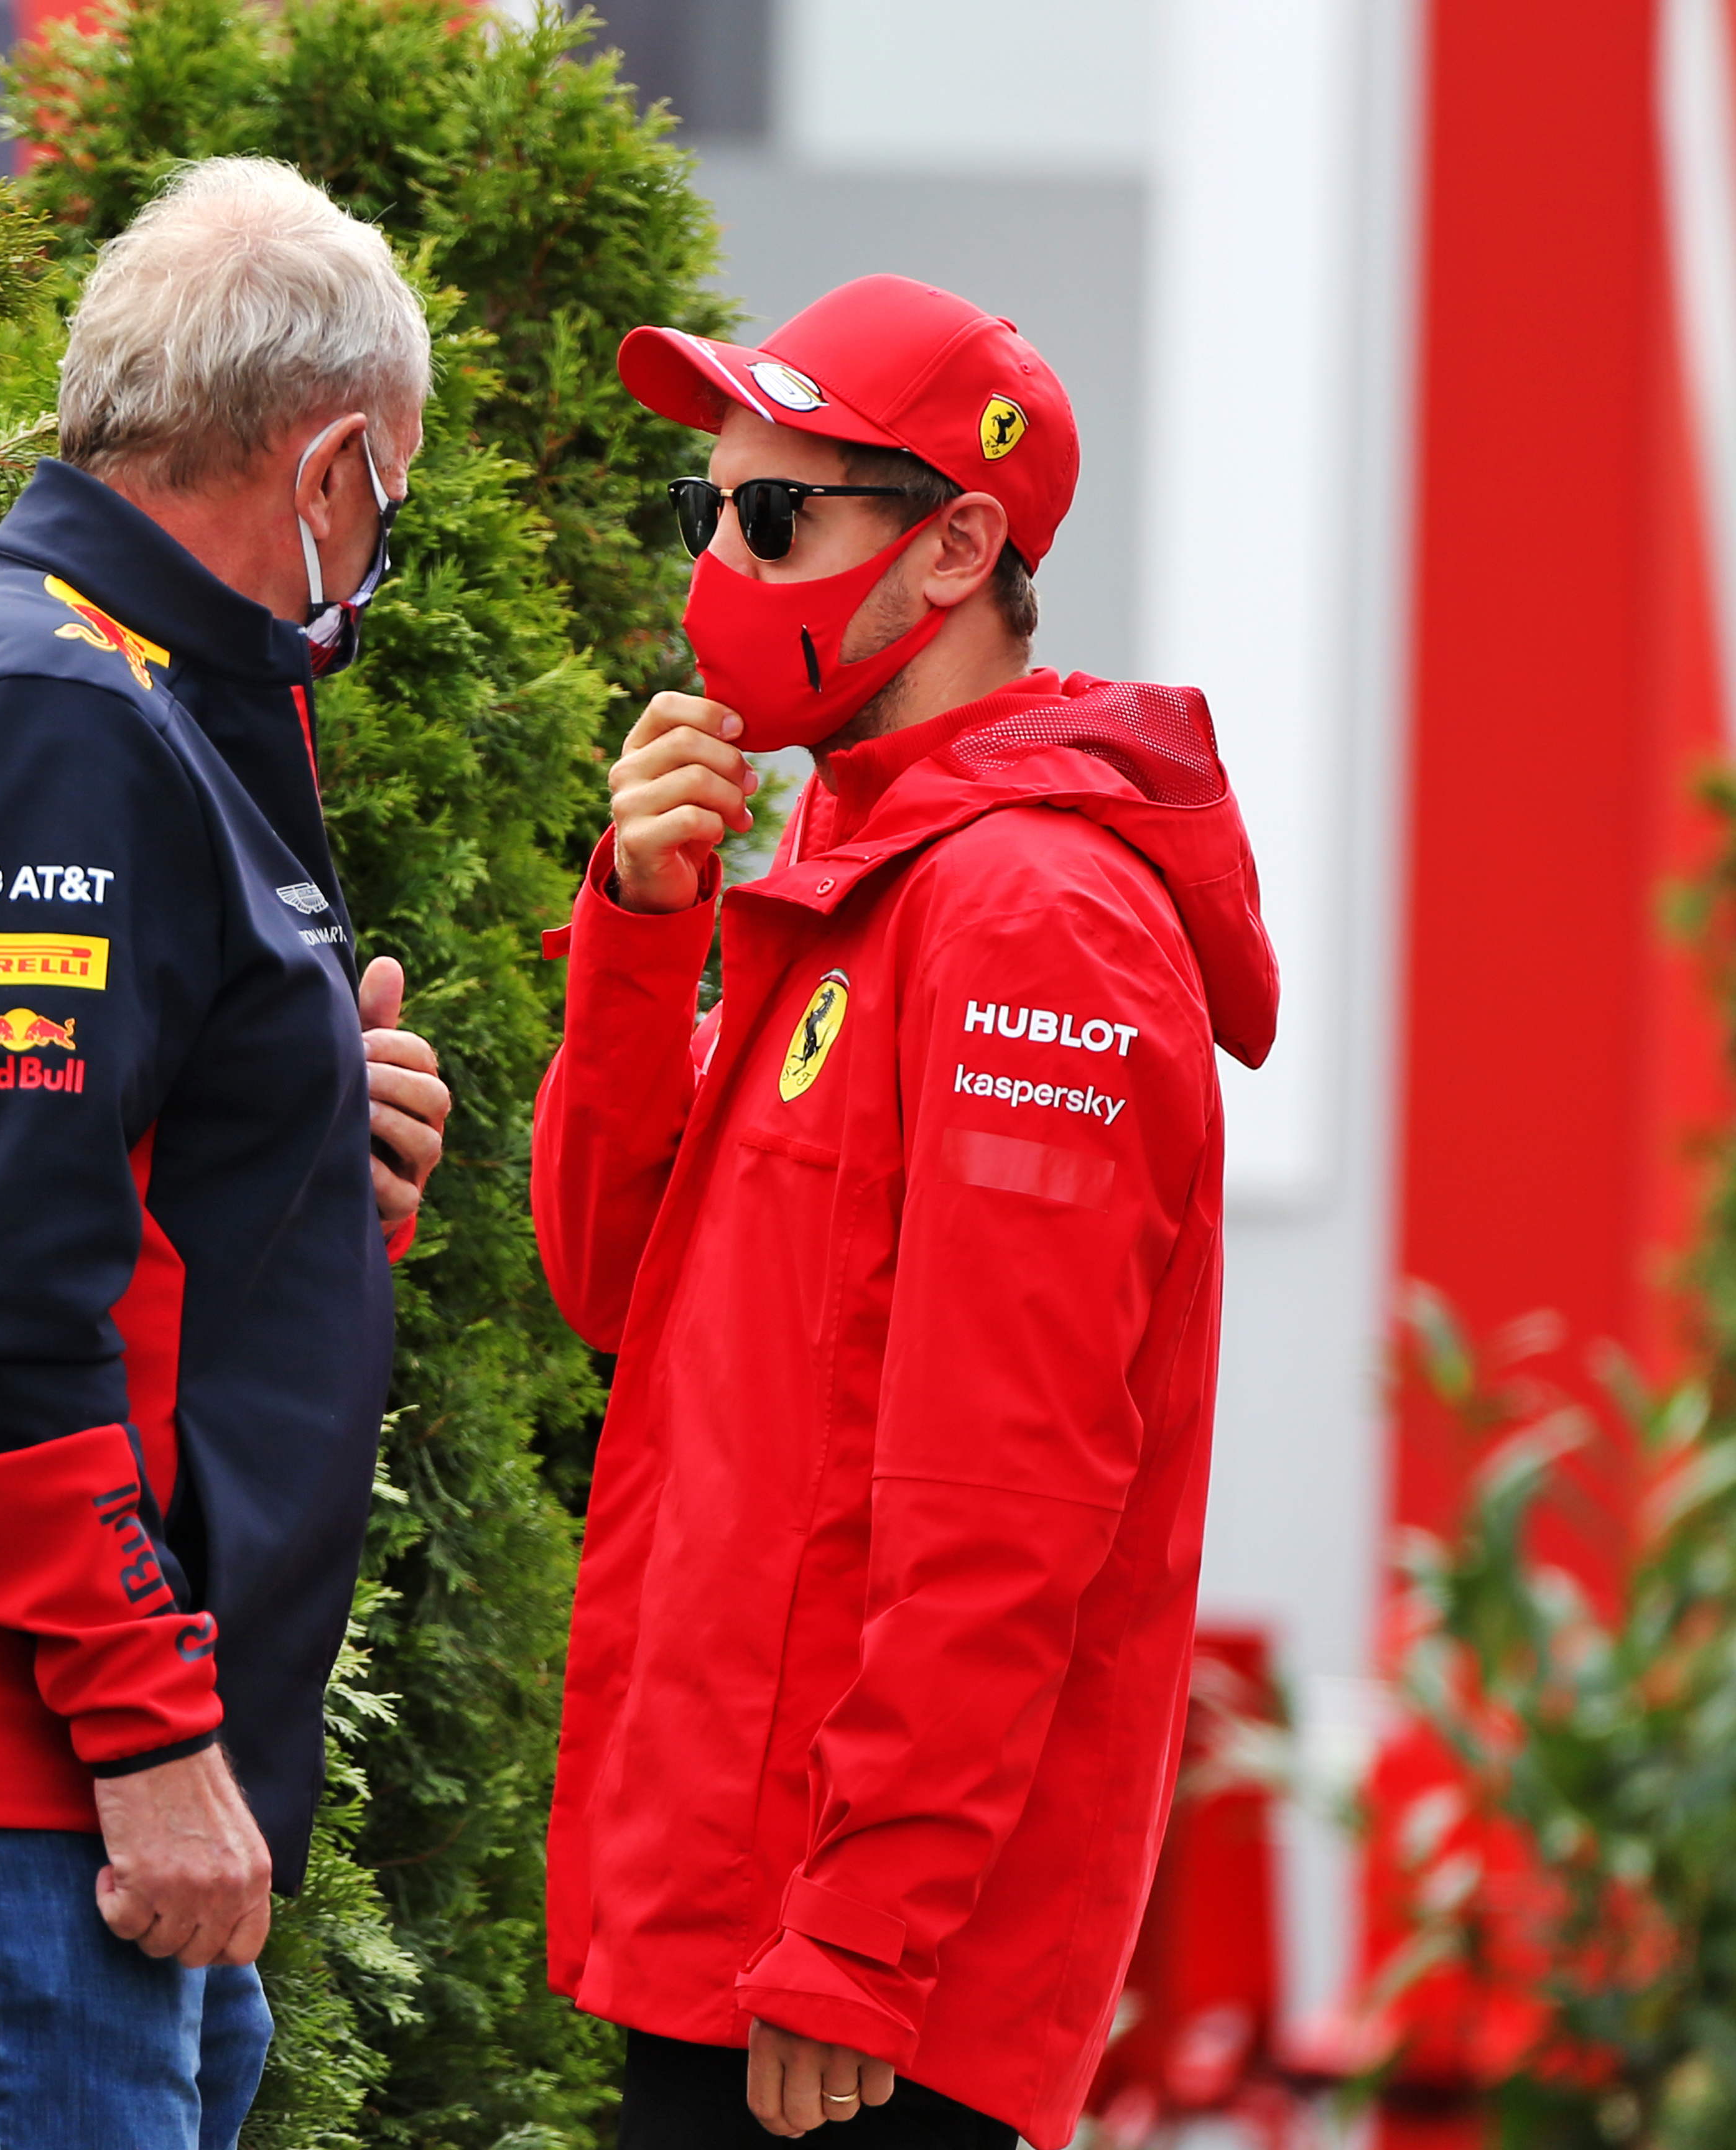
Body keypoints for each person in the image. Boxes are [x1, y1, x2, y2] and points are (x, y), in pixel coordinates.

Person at [0, 159, 452, 2149]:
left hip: (39, 1793)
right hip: (4, 1791)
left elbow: (73, 1187)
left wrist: (314, 1140)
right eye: (392, 493)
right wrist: (147, 1738)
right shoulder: (52, 712)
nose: (382, 545)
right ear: (327, 472)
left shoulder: (76, 687)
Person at [529, 274, 1281, 2150]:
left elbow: (1010, 1490)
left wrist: (864, 1934)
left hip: (859, 1998)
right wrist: (640, 931)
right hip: (730, 1926)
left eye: (775, 516)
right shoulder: (848, 865)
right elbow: (616, 1286)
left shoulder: (1032, 915)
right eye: (702, 510)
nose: (721, 565)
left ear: (956, 548)